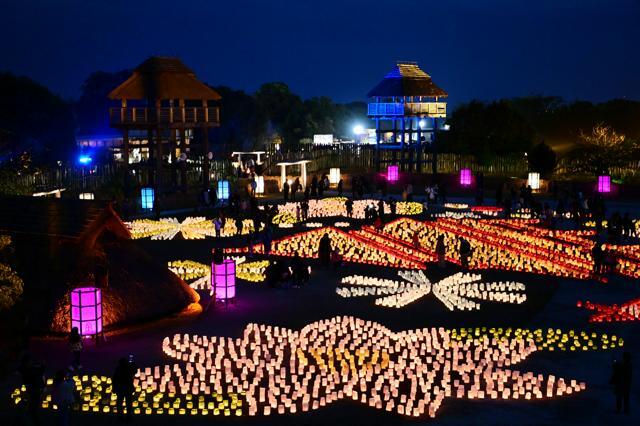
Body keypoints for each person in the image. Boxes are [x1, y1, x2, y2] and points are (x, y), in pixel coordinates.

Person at [19, 354, 45, 424]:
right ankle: (32, 418)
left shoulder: (29, 368)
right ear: (26, 362)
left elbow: (40, 371)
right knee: (34, 403)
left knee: (34, 403)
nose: (31, 362)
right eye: (30, 361)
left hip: (34, 388)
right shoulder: (26, 370)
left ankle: (32, 416)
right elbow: (34, 375)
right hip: (33, 389)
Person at [113, 357, 136, 422]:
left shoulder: (119, 369)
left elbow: (114, 379)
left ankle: (121, 415)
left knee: (120, 402)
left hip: (121, 388)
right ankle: (127, 415)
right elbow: (134, 373)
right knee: (127, 402)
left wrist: (114, 388)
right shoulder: (128, 369)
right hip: (126, 388)